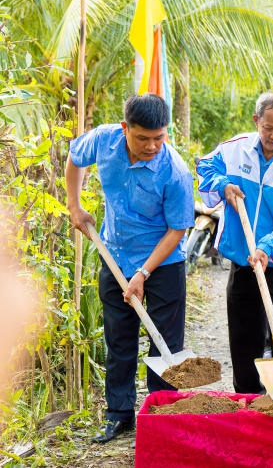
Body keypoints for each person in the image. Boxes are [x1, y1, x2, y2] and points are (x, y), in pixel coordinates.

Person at [66, 94, 194, 442]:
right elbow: (75, 158)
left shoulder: (175, 172)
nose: (152, 146)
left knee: (165, 342)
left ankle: (162, 412)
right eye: (143, 138)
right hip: (115, 256)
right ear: (125, 129)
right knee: (119, 341)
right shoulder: (104, 140)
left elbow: (177, 230)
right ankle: (119, 415)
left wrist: (143, 274)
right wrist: (74, 205)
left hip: (163, 264)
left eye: (160, 137)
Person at [197, 91, 273, 394]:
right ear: (256, 121)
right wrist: (223, 184)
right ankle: (247, 398)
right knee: (243, 335)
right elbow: (205, 167)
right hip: (242, 258)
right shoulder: (234, 150)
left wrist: (268, 247)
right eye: (268, 128)